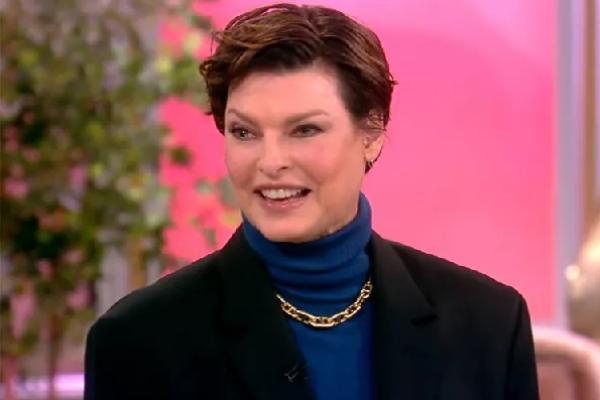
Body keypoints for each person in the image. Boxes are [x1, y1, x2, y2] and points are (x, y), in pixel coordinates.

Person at [83, 4, 539, 400]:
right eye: (245, 132)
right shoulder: (139, 340)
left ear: (371, 133)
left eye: (304, 130)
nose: (270, 161)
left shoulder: (489, 325)